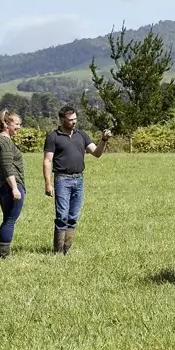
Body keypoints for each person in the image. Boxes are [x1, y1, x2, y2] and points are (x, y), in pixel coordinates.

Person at [43, 105, 111, 254]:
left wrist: (104, 140)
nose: (74, 122)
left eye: (75, 119)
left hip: (79, 179)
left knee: (73, 216)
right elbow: (47, 161)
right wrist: (48, 183)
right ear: (62, 120)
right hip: (62, 179)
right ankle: (58, 250)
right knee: (62, 215)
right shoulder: (53, 137)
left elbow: (97, 153)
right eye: (70, 120)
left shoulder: (82, 135)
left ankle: (67, 249)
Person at [0, 109, 25, 258]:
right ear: (6, 124)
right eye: (16, 124)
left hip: (0, 185)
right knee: (10, 220)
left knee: (7, 219)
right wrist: (15, 188)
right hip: (9, 185)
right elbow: (7, 167)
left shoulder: (0, 139)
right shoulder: (5, 142)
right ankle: (4, 254)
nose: (19, 127)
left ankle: (1, 252)